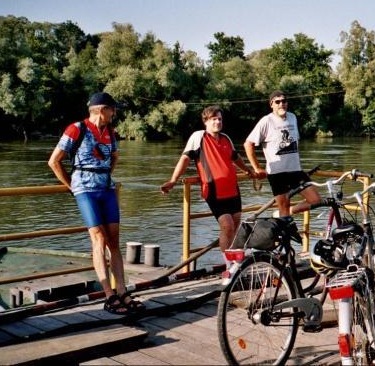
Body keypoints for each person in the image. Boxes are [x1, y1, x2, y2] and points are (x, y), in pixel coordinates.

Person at [48, 91, 144, 315]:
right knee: (99, 238)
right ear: (101, 110)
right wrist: (72, 186)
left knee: (114, 241)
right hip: (85, 190)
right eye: (112, 109)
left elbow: (115, 157)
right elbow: (54, 161)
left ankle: (122, 291)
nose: (114, 113)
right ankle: (109, 295)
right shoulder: (76, 129)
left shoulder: (110, 131)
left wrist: (105, 175)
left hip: (106, 188)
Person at [160, 105, 256, 262]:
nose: (217, 122)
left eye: (219, 119)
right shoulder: (198, 137)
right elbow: (185, 159)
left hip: (232, 188)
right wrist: (173, 180)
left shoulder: (226, 138)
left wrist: (248, 170)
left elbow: (235, 157)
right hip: (213, 190)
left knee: (235, 225)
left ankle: (234, 260)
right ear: (206, 121)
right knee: (227, 226)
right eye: (214, 119)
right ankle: (229, 265)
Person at [244, 90, 321, 217]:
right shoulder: (266, 121)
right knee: (283, 208)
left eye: (284, 101)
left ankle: (290, 212)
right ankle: (284, 227)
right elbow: (248, 144)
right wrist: (257, 168)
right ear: (271, 104)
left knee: (316, 200)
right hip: (277, 174)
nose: (281, 104)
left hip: (296, 171)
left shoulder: (292, 117)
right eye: (277, 102)